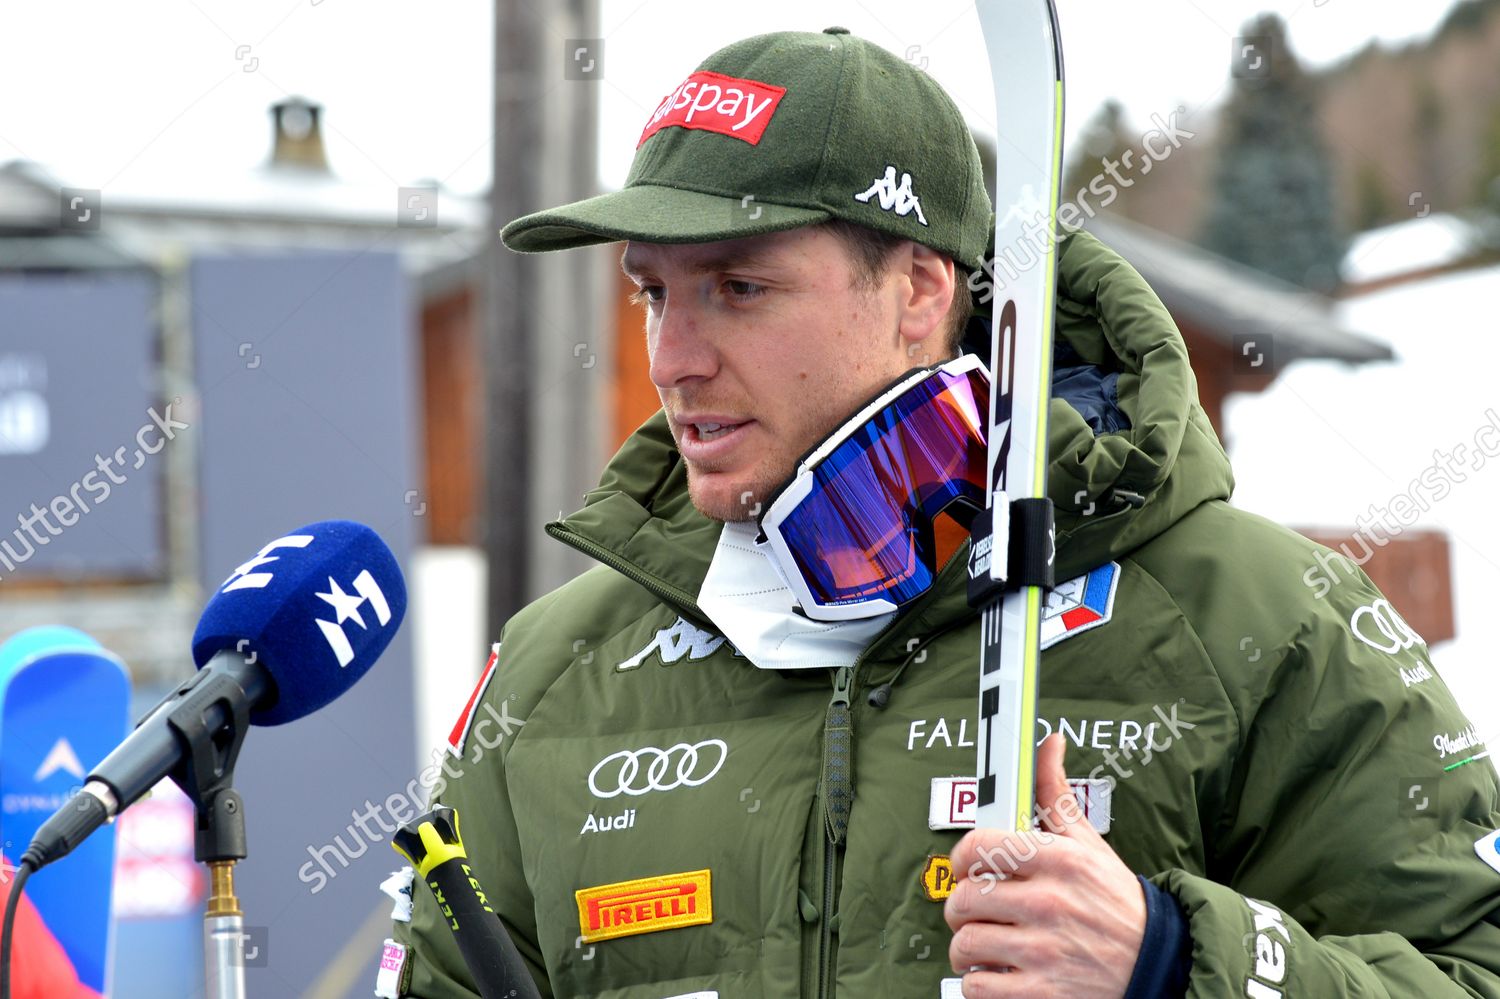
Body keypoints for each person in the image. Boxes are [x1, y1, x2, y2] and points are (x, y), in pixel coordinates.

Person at [382, 26, 1500, 999]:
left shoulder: (1258, 618)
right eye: (652, 293)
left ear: (921, 289)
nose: (673, 358)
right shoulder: (556, 671)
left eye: (738, 287)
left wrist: (1171, 963)